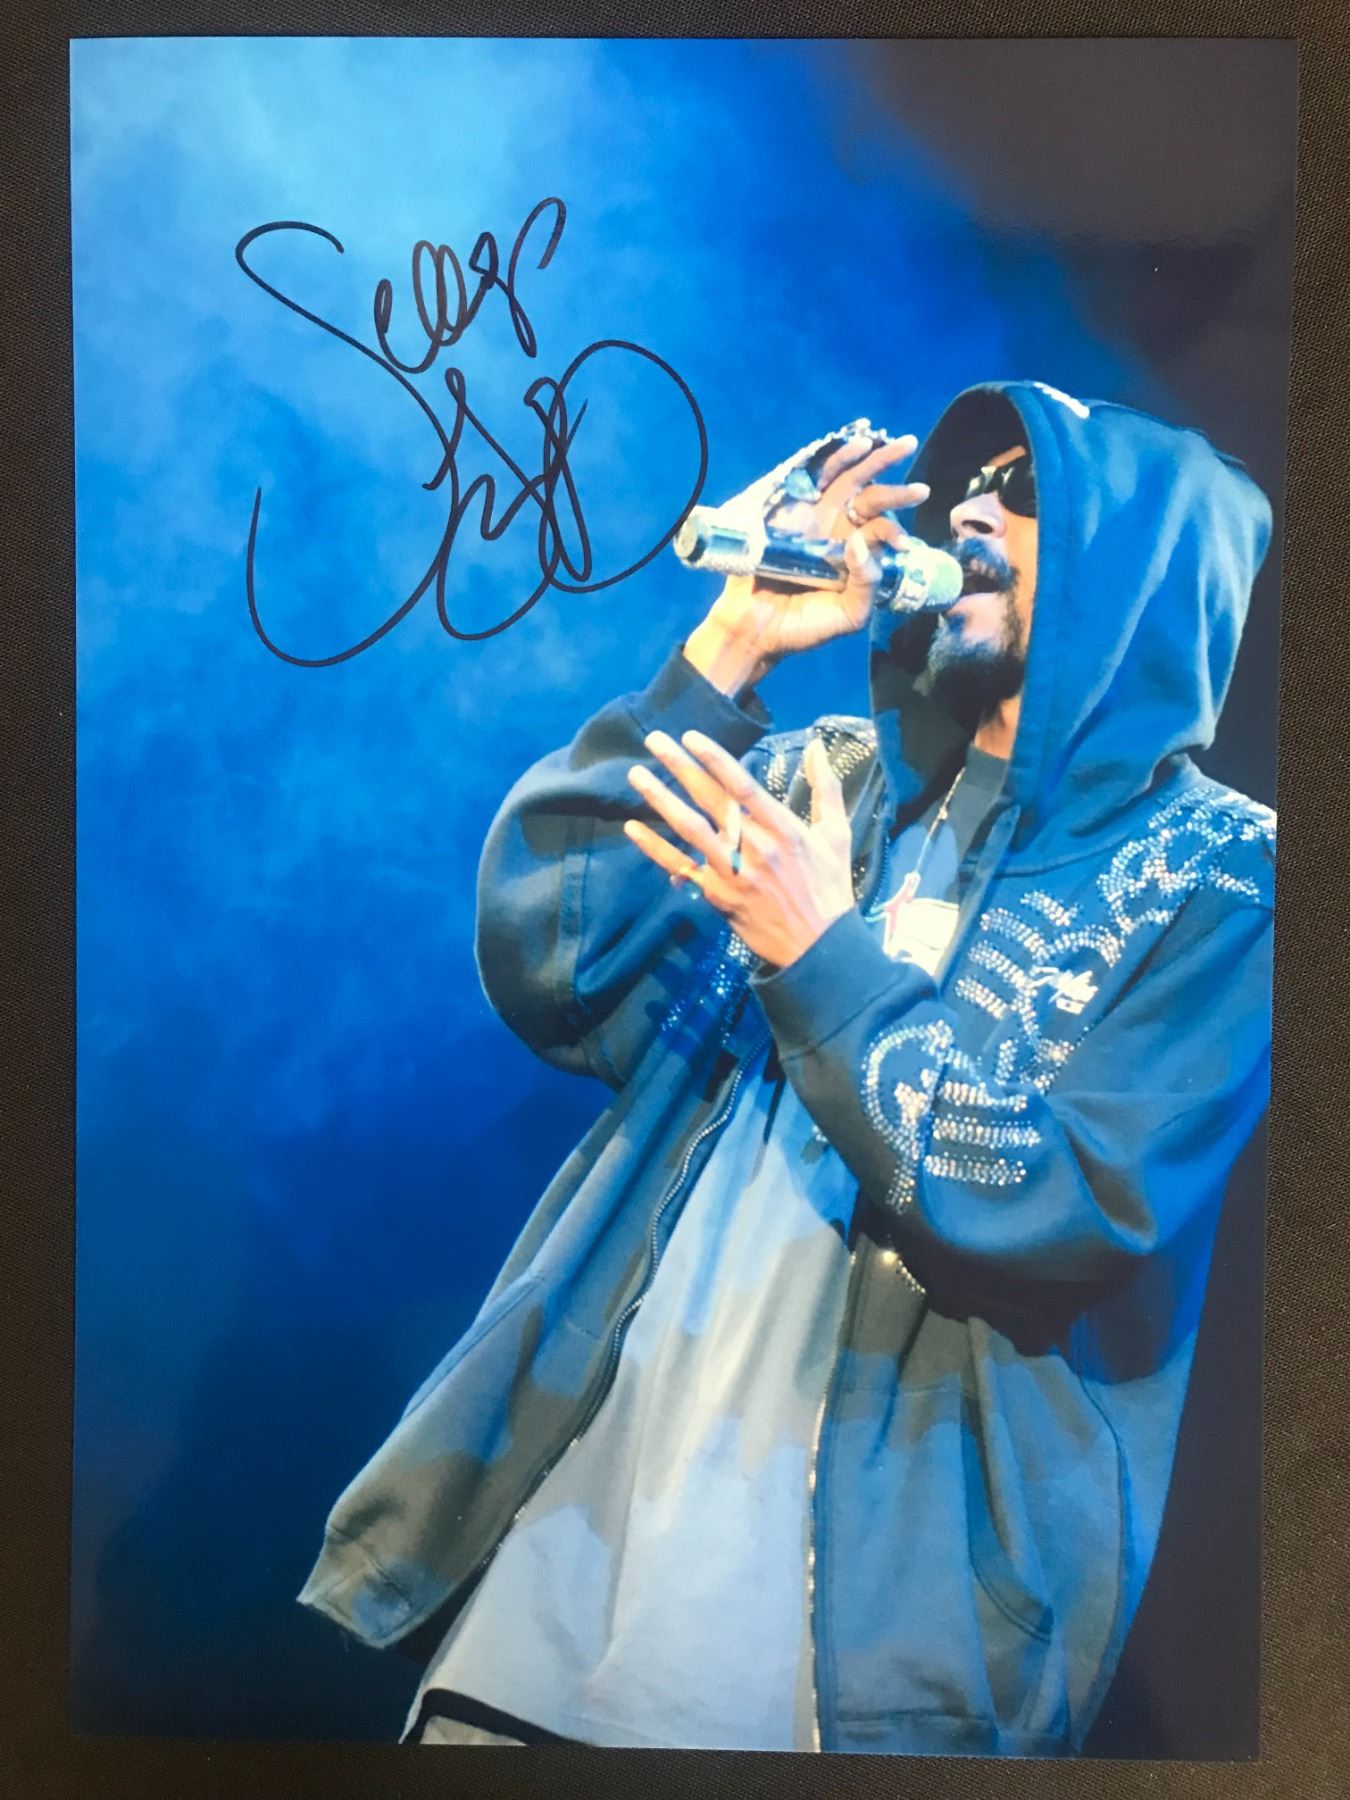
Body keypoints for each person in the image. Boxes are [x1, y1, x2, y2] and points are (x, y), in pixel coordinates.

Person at [298, 381, 1276, 1757]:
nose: (969, 511)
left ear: (1140, 562)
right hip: (547, 1611)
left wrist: (820, 956)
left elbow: (1068, 1202)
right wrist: (732, 643)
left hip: (848, 1681)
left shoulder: (1224, 876)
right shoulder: (825, 775)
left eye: (1024, 491)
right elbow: (556, 959)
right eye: (965, 485)